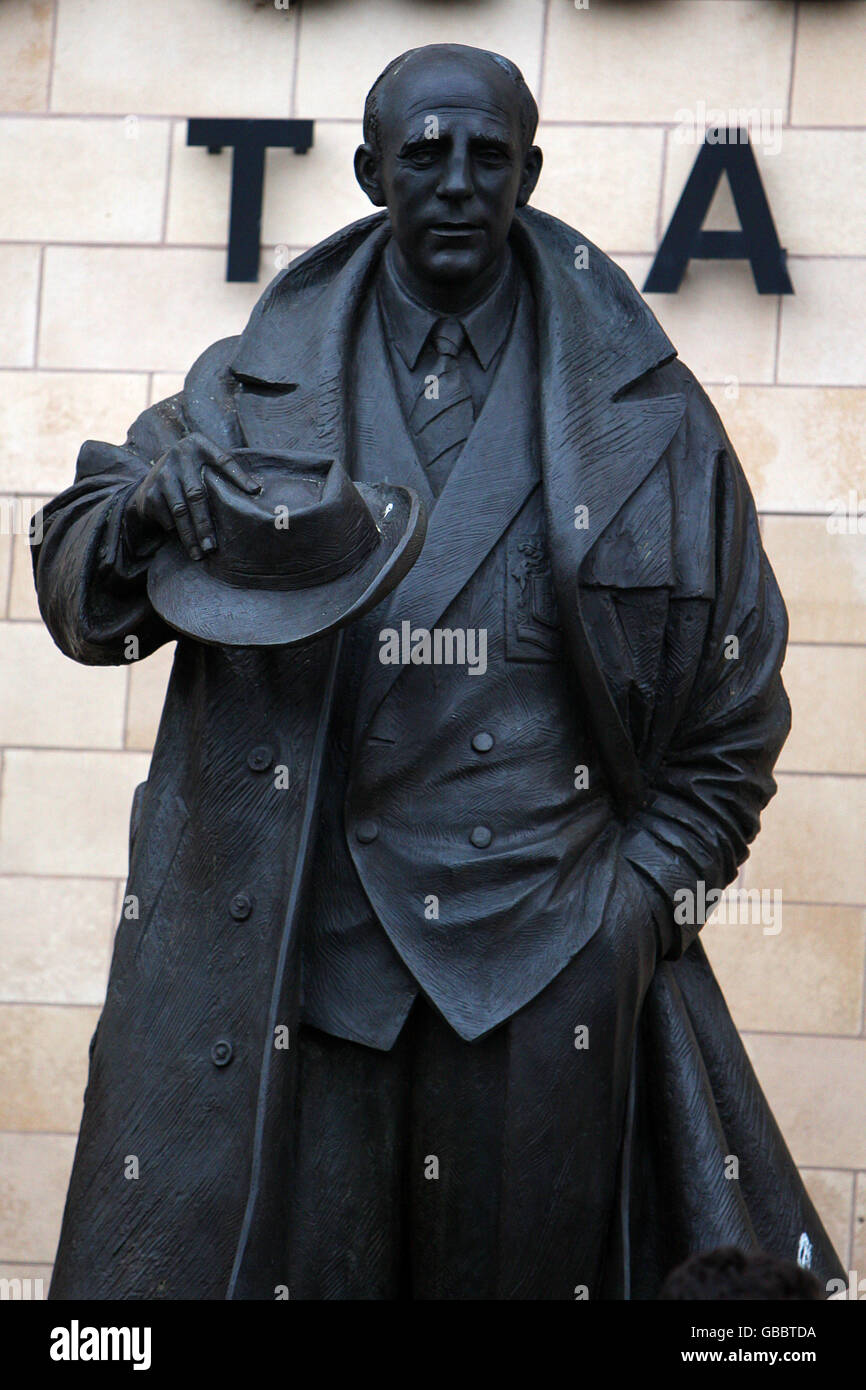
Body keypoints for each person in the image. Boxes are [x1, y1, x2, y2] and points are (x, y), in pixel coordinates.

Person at [34, 43, 844, 1300]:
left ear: (529, 169)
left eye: (485, 154)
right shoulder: (249, 390)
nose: (456, 180)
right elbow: (83, 586)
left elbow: (735, 717)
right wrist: (143, 514)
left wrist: (630, 914)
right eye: (424, 154)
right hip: (313, 968)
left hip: (543, 969)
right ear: (369, 174)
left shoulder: (651, 412)